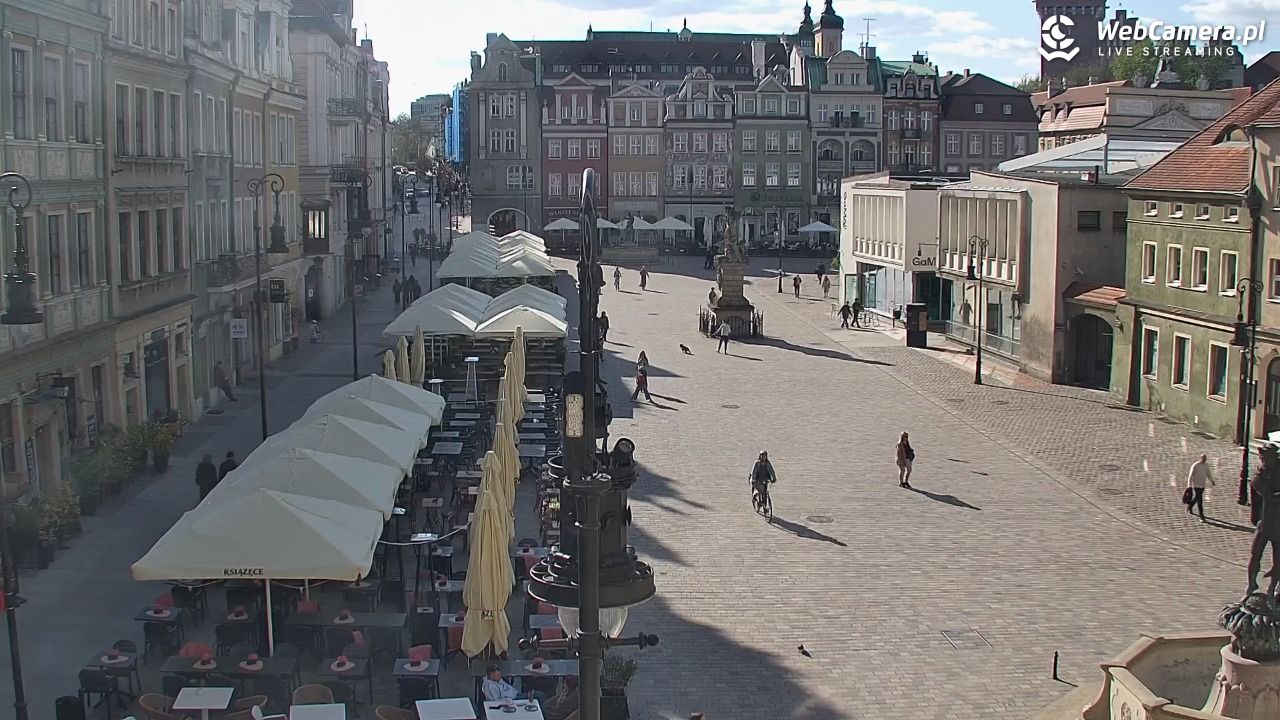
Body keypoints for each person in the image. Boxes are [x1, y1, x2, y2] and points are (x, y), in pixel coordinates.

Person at [482, 665, 547, 705]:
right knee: (539, 695)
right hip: (513, 700)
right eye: (498, 674)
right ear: (491, 675)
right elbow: (494, 701)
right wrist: (508, 700)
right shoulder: (489, 686)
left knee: (539, 694)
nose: (500, 676)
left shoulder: (497, 679)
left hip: (516, 695)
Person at [1186, 453, 1214, 521]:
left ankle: (1190, 506)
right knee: (1199, 499)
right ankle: (1201, 515)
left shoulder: (1206, 465)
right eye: (1203, 459)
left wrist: (1212, 480)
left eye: (1205, 459)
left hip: (1202, 485)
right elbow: (1190, 475)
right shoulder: (1195, 465)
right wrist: (1189, 484)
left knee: (1198, 498)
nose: (1204, 460)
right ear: (1200, 458)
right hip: (1196, 484)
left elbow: (1208, 474)